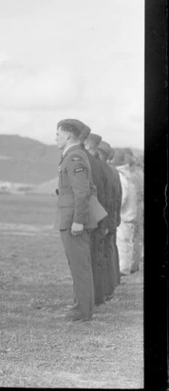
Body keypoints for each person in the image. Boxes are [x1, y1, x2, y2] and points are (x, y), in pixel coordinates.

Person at [54, 119, 107, 322]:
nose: (55, 138)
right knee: (76, 265)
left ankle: (82, 311)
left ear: (68, 136)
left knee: (80, 266)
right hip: (70, 217)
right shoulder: (72, 156)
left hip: (73, 219)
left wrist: (78, 220)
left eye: (58, 134)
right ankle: (79, 305)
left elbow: (83, 192)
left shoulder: (75, 157)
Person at [83, 132, 110, 306]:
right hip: (100, 216)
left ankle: (91, 298)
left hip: (91, 217)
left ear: (88, 144)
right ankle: (97, 295)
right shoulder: (101, 165)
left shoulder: (89, 163)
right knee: (96, 258)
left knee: (89, 260)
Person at [96, 140, 122, 296]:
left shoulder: (102, 170)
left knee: (102, 254)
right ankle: (111, 286)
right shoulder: (113, 171)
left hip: (103, 219)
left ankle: (103, 290)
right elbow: (119, 196)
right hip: (111, 218)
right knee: (110, 251)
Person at [111, 149, 140, 277]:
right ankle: (126, 267)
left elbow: (123, 195)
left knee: (123, 243)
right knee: (127, 242)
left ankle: (123, 269)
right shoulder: (128, 174)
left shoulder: (121, 175)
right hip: (131, 213)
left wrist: (115, 209)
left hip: (124, 214)